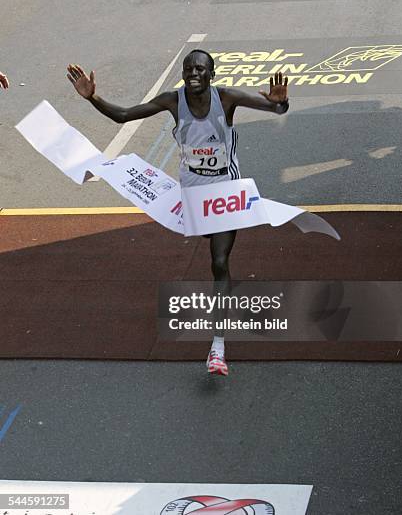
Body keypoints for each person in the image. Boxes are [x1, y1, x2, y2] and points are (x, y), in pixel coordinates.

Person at [67, 50, 289, 376]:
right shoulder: (174, 101)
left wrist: (280, 103)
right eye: (188, 69)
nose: (193, 73)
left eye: (200, 68)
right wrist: (92, 98)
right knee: (212, 245)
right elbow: (124, 115)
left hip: (224, 193)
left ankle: (217, 347)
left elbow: (275, 107)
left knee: (219, 261)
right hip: (192, 195)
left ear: (211, 74)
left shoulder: (225, 98)